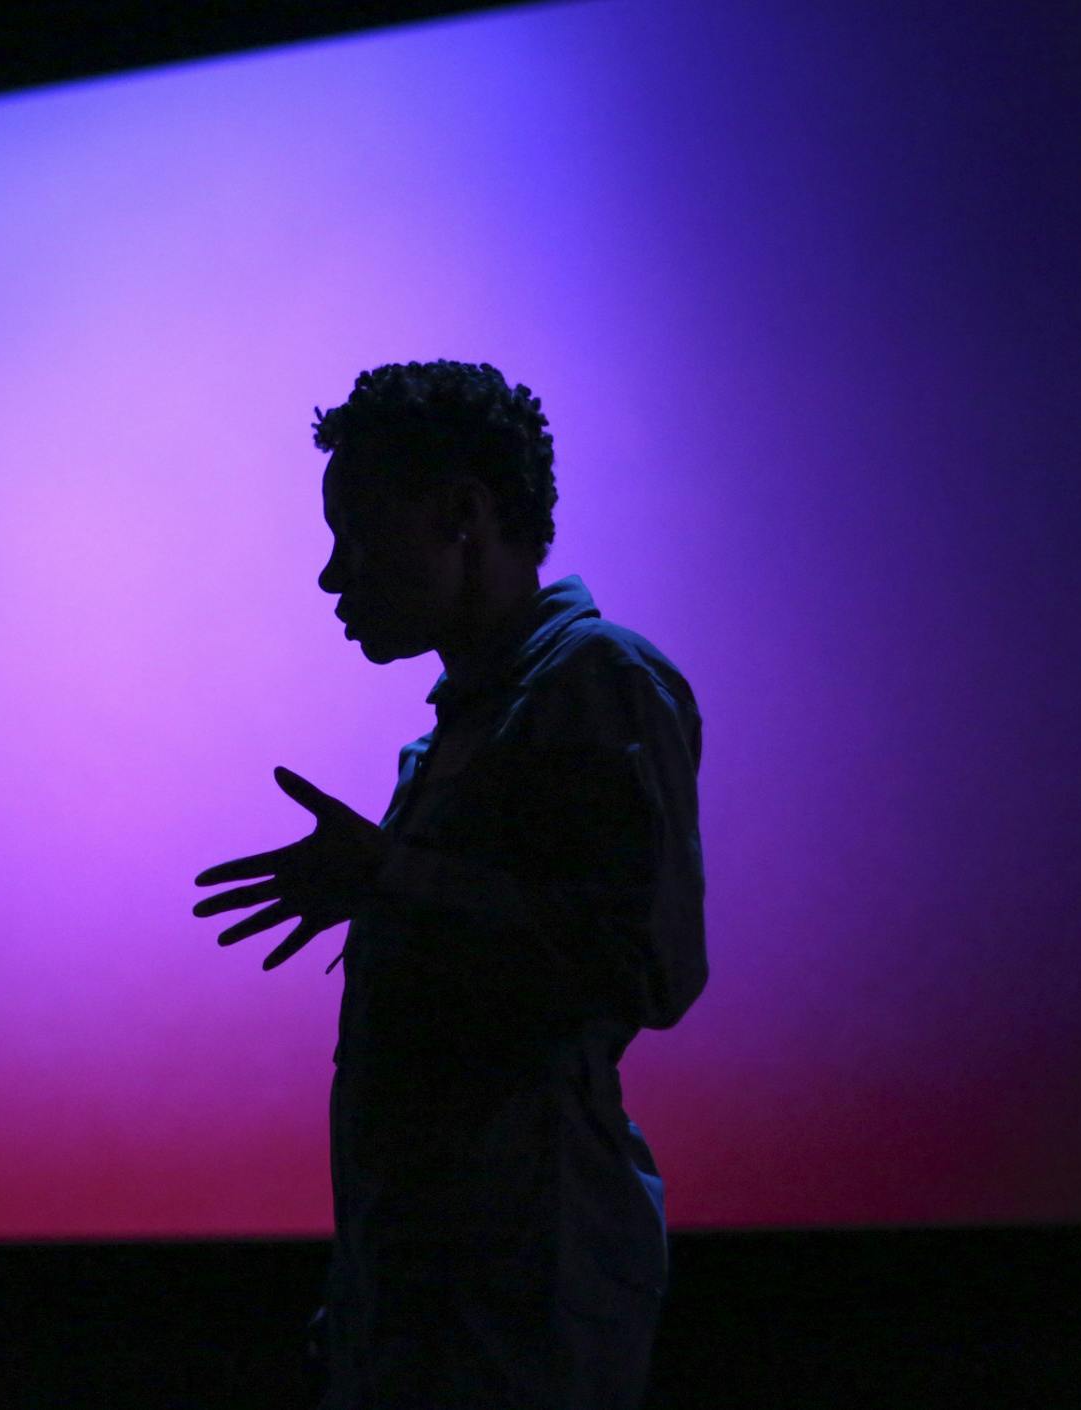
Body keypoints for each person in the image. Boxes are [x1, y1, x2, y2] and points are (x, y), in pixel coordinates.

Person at [192, 360, 708, 1409]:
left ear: (463, 514)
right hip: (446, 1310)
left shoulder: (596, 681)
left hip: (523, 1305)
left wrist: (396, 875)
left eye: (358, 531)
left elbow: (651, 967)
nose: (335, 576)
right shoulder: (474, 722)